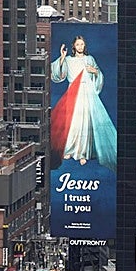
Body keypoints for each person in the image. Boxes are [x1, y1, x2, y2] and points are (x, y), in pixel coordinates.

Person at [50, 35, 117, 171]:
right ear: (73, 46)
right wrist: (62, 56)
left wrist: (96, 72)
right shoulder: (69, 60)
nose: (80, 47)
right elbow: (59, 74)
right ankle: (70, 149)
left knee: (85, 122)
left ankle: (83, 153)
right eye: (78, 44)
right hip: (73, 93)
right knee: (73, 121)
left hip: (86, 92)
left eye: (82, 44)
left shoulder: (89, 59)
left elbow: (98, 75)